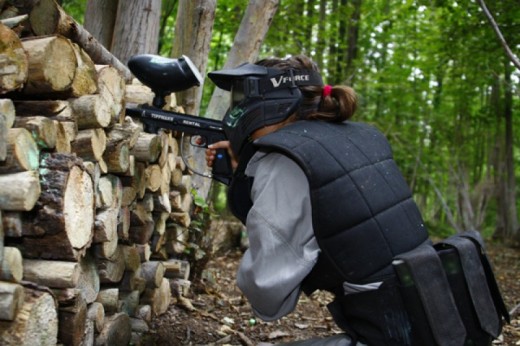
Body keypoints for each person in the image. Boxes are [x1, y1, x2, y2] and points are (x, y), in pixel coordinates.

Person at [203, 55, 506, 345]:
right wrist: (245, 173)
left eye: (244, 99)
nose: (238, 107)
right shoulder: (362, 137)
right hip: (442, 323)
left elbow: (268, 298)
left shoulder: (282, 164)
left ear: (272, 105)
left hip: (396, 334)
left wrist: (256, 173)